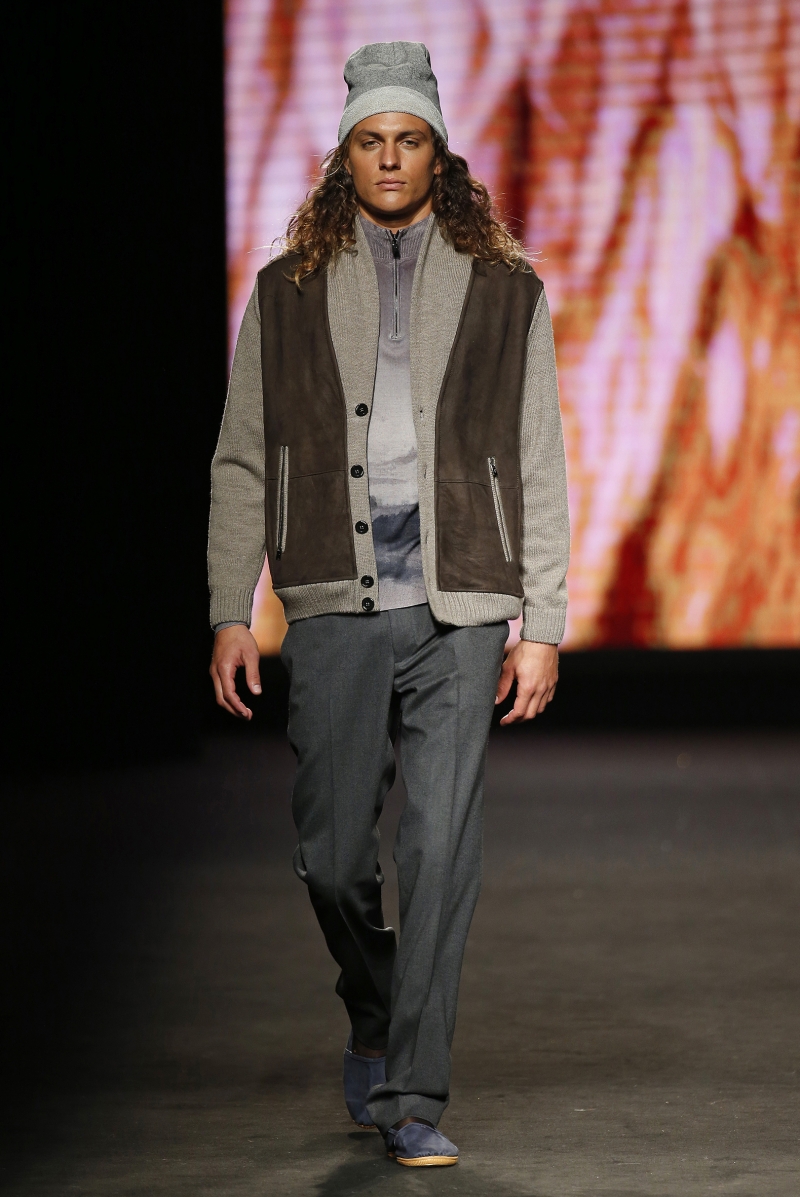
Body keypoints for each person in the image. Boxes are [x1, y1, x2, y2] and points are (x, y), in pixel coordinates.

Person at [208, 41, 569, 1168]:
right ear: (345, 155)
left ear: (438, 153)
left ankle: (412, 1093)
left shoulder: (507, 291)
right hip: (332, 603)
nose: (391, 158)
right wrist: (230, 606)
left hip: (462, 609)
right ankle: (373, 1010)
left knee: (441, 850)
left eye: (409, 139)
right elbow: (242, 459)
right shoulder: (287, 292)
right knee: (330, 859)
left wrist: (544, 622)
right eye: (371, 141)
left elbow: (540, 461)